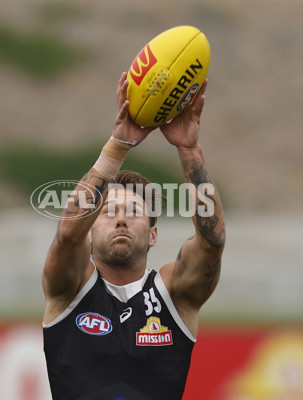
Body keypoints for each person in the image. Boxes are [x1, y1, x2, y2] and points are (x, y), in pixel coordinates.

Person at [42, 72, 225, 400]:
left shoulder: (173, 295)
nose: (122, 218)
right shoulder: (69, 288)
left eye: (134, 212)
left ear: (153, 235)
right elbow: (68, 233)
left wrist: (189, 149)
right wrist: (118, 145)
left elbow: (212, 243)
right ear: (90, 231)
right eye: (109, 211)